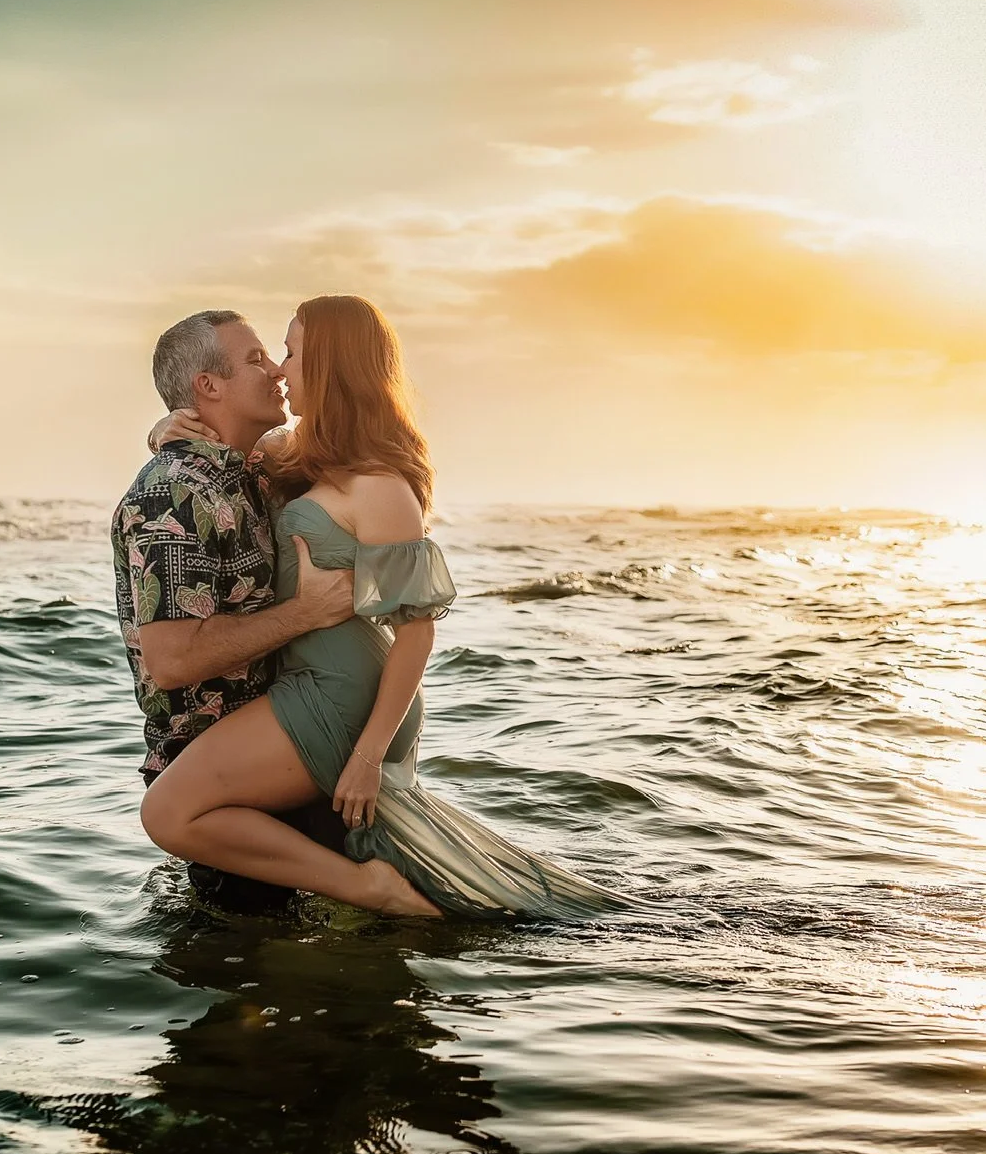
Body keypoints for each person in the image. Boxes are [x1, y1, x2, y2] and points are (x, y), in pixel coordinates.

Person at [139, 295, 625, 921]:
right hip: (307, 683)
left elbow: (416, 635)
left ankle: (371, 889)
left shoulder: (381, 487)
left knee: (170, 813)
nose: (282, 371)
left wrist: (368, 759)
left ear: (334, 366)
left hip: (342, 693)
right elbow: (232, 458)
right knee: (178, 813)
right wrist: (164, 431)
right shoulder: (301, 457)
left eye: (290, 353)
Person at [112, 308, 357, 913]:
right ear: (208, 386)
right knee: (247, 961)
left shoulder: (254, 471)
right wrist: (306, 614)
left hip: (291, 745)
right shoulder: (171, 491)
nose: (275, 369)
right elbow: (171, 661)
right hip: (215, 781)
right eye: (254, 359)